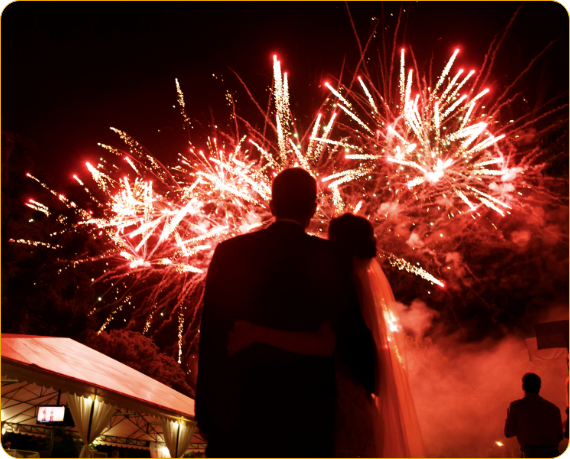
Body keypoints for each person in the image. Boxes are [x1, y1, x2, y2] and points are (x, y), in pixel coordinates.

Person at [195, 169, 374, 457]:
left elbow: (212, 336)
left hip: (239, 418)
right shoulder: (330, 259)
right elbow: (350, 333)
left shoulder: (229, 252)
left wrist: (205, 413)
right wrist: (373, 380)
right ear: (313, 209)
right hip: (305, 421)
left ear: (272, 205)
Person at [229, 213, 426, 457]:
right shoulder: (363, 283)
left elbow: (325, 342)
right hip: (358, 405)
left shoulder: (343, 285)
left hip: (337, 410)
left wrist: (257, 332)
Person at [504, 372, 564, 458]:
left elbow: (508, 433)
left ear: (523, 387)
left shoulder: (516, 406)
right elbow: (559, 436)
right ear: (539, 386)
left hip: (530, 453)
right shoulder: (553, 408)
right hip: (553, 452)